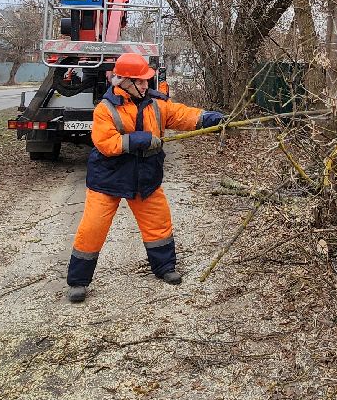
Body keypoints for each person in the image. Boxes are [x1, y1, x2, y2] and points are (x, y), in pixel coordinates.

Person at [64, 52, 225, 303]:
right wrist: (138, 139)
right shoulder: (104, 109)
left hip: (145, 178)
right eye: (139, 81)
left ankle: (164, 268)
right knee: (92, 229)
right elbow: (106, 143)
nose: (145, 85)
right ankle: (78, 281)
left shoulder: (156, 104)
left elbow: (181, 114)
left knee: (159, 224)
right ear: (124, 82)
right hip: (108, 179)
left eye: (145, 81)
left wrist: (206, 118)